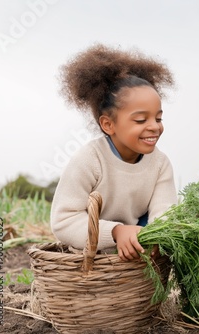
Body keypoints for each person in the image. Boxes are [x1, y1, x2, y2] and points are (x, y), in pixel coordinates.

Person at [51, 44, 177, 261]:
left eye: (158, 118)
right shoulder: (90, 160)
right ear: (108, 125)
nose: (154, 127)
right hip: (91, 256)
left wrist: (155, 237)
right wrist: (117, 232)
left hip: (136, 256)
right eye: (140, 120)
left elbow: (164, 213)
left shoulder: (160, 164)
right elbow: (64, 221)